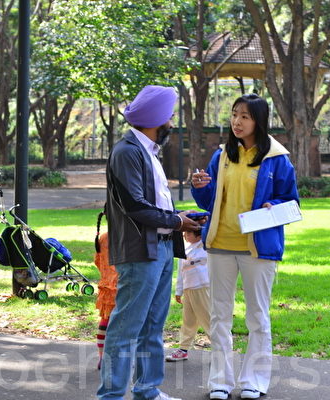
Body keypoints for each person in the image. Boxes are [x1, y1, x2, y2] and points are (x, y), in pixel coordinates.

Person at [97, 85, 203, 400]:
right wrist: (176, 221)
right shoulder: (127, 151)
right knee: (126, 327)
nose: (171, 121)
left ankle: (147, 390)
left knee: (153, 325)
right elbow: (135, 206)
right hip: (140, 251)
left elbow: (153, 203)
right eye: (169, 115)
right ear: (157, 118)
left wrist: (179, 217)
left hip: (162, 247)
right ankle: (111, 395)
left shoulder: (148, 151)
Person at [191, 93, 299, 400]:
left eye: (245, 116)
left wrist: (273, 204)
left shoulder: (277, 158)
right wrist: (201, 187)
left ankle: (254, 381)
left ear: (259, 121)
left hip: (258, 248)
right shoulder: (222, 155)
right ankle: (219, 383)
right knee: (219, 317)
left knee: (257, 316)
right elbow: (209, 201)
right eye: (234, 114)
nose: (237, 122)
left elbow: (291, 201)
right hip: (220, 244)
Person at [166, 229, 210, 362]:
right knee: (188, 320)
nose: (185, 236)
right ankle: (183, 349)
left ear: (199, 235)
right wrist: (179, 291)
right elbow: (181, 272)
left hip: (202, 287)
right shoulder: (184, 250)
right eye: (184, 233)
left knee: (207, 318)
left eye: (188, 234)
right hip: (188, 289)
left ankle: (221, 349)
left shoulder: (206, 247)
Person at [94, 231, 117, 370]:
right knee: (125, 324)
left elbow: (98, 260)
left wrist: (107, 274)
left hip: (107, 286)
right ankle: (122, 358)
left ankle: (102, 357)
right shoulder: (128, 237)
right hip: (122, 285)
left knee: (105, 321)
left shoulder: (102, 238)